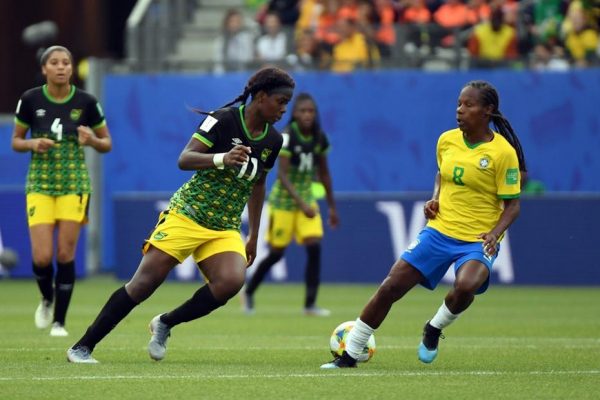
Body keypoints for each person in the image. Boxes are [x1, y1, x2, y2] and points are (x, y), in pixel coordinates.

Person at [66, 67, 295, 363]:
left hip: (223, 226)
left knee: (230, 282)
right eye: (280, 101)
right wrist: (221, 158)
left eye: (286, 103)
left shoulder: (273, 141)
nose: (283, 109)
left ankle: (165, 323)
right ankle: (83, 346)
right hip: (188, 213)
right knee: (144, 283)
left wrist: (252, 234)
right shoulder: (223, 119)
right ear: (261, 97)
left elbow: (259, 183)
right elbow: (184, 159)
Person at [321, 80, 526, 368]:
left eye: (468, 105)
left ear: (487, 110)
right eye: (459, 103)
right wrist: (435, 198)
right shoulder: (447, 140)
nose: (460, 110)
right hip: (440, 231)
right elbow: (442, 175)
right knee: (391, 286)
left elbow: (513, 204)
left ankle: (433, 328)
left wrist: (495, 233)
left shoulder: (503, 153)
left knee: (465, 286)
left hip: (478, 238)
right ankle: (349, 355)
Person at [11, 45, 112, 337]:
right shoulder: (30, 99)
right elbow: (16, 141)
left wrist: (92, 140)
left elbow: (107, 144)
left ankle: (59, 322)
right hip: (40, 184)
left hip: (74, 184)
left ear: (71, 68)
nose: (61, 67)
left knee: (65, 254)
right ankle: (46, 298)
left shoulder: (87, 102)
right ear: (45, 69)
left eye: (66, 62)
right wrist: (32, 143)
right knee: (42, 257)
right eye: (54, 63)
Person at [243, 92, 338, 316]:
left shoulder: (319, 138)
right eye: (303, 111)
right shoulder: (286, 136)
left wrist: (332, 207)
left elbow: (324, 173)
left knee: (314, 247)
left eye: (311, 111)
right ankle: (248, 291)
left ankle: (310, 304)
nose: (307, 115)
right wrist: (302, 204)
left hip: (307, 201)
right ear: (294, 114)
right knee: (276, 253)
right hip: (284, 203)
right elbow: (282, 176)